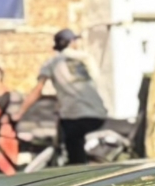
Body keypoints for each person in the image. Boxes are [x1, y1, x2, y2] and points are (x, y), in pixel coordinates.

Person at [37, 28, 109, 164]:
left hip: (75, 116)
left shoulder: (52, 62)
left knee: (72, 143)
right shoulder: (85, 57)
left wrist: (20, 113)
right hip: (98, 113)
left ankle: (78, 168)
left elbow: (38, 90)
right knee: (76, 137)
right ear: (71, 42)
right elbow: (94, 79)